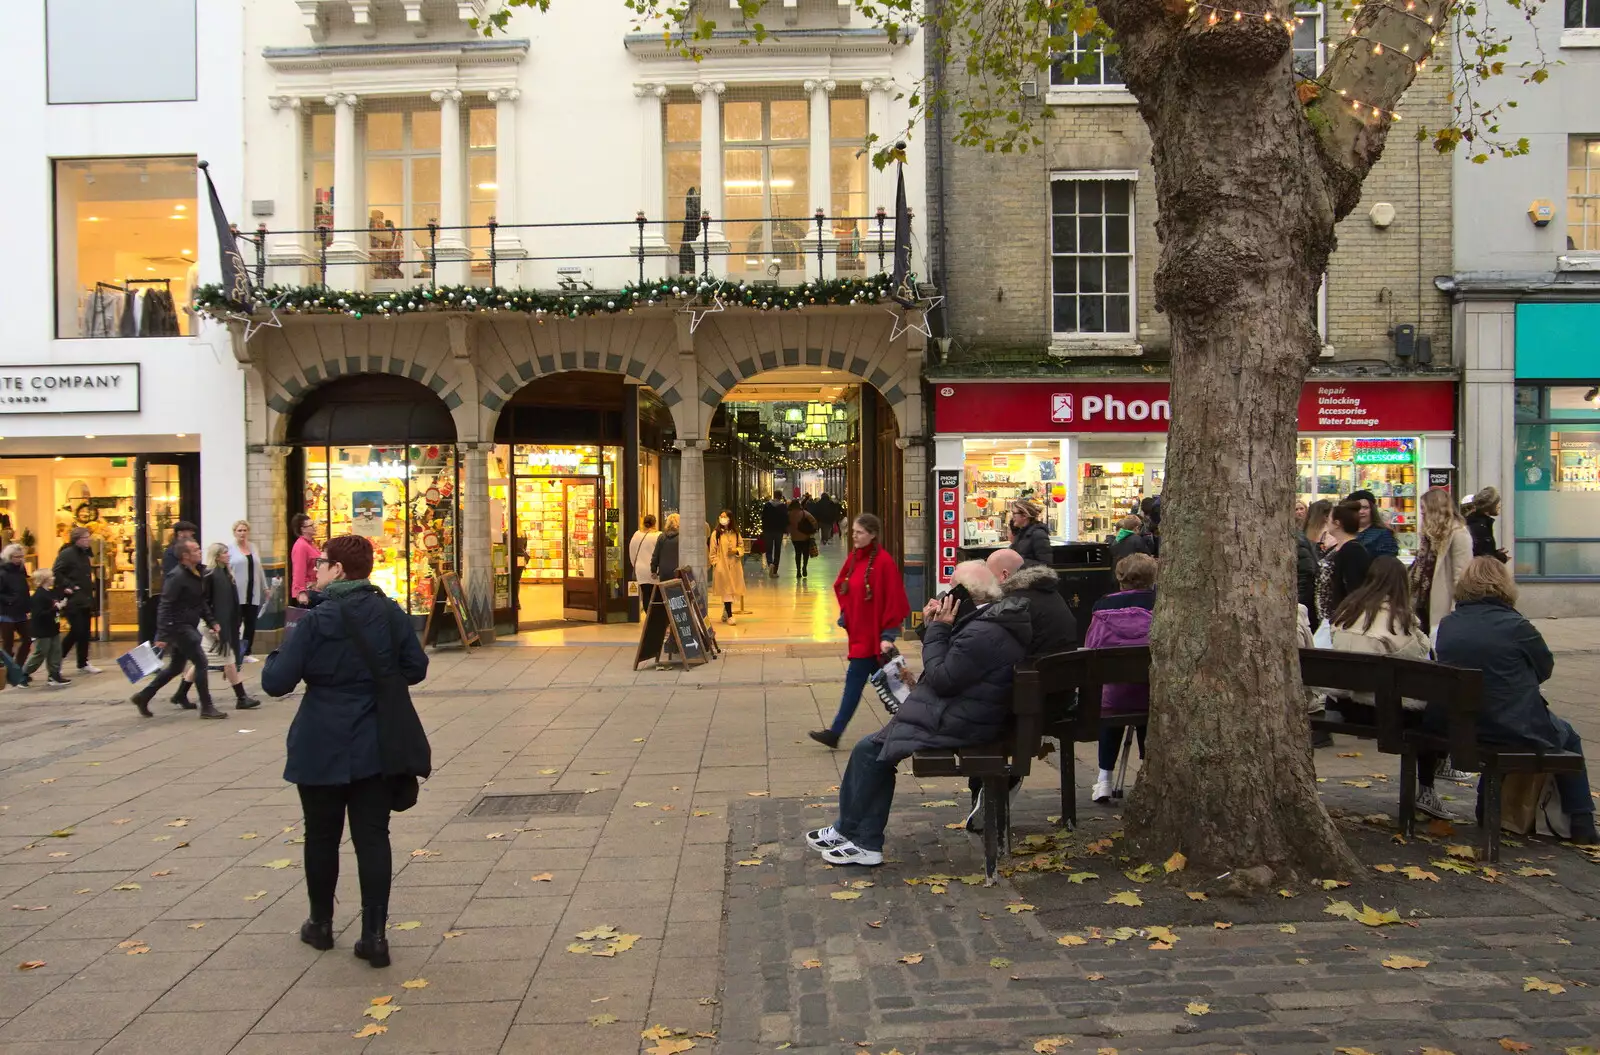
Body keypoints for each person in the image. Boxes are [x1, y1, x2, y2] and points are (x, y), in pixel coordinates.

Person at [263, 535, 431, 967]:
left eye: (321, 563)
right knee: (373, 836)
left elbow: (277, 681)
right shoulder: (390, 612)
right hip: (376, 741)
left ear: (338, 569)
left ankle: (320, 924)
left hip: (321, 741)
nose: (316, 570)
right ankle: (374, 935)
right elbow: (416, 667)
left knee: (321, 835)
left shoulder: (316, 619)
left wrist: (276, 655)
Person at [805, 561, 1032, 865]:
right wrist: (934, 626)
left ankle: (866, 842)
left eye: (951, 588)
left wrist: (938, 629)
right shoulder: (986, 620)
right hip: (967, 713)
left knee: (872, 752)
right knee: (870, 749)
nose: (945, 593)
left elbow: (941, 677)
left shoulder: (983, 632)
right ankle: (849, 830)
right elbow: (952, 663)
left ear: (964, 593)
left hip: (964, 722)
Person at [1433, 557, 1597, 844]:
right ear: (1504, 586)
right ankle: (1582, 821)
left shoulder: (1448, 625)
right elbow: (1544, 668)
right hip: (1512, 727)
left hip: (1459, 728)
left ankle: (1487, 810)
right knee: (1568, 737)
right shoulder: (1517, 626)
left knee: (1487, 719)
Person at [1325, 555, 1453, 819]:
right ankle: (1428, 786)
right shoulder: (1401, 623)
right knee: (1435, 708)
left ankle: (1440, 766)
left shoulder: (1345, 613)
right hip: (1386, 712)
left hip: (1349, 707)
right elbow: (1421, 666)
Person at [810, 514, 911, 748]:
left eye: (859, 532)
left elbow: (894, 600)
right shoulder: (855, 558)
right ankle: (914, 725)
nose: (854, 535)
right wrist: (848, 612)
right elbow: (842, 585)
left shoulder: (884, 562)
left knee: (862, 685)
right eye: (853, 531)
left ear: (873, 534)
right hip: (861, 636)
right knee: (894, 687)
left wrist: (888, 635)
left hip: (873, 640)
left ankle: (835, 732)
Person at [1083, 553, 1158, 804]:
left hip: (1113, 694)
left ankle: (1104, 778)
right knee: (1148, 710)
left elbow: (1091, 646)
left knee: (1111, 703)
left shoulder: (1102, 606)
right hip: (1151, 691)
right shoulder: (1160, 603)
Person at [129, 539, 226, 719]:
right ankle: (207, 706)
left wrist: (212, 621)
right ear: (185, 556)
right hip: (179, 627)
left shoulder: (198, 572)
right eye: (195, 550)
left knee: (175, 667)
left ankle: (144, 696)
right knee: (202, 663)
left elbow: (200, 601)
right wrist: (163, 634)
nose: (199, 552)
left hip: (188, 624)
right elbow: (165, 605)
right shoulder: (177, 576)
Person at [171, 543, 261, 711]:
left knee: (202, 660)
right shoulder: (211, 575)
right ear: (217, 556)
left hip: (220, 624)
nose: (228, 555)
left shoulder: (226, 573)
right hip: (215, 626)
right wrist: (213, 624)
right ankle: (241, 697)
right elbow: (204, 602)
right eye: (225, 553)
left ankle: (181, 693)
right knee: (228, 660)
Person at [987, 548, 1076, 657]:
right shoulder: (1045, 589)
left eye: (991, 577)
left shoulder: (1016, 601)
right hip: (1063, 664)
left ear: (1004, 575)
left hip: (1036, 668)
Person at [1410, 487, 1473, 634]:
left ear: (1434, 508)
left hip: (1441, 603)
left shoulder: (1458, 533)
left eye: (1423, 507)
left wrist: (1456, 608)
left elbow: (1462, 574)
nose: (1422, 512)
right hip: (1422, 601)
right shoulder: (1428, 536)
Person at [53, 527, 102, 676]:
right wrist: (69, 586)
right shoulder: (67, 554)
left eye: (88, 537)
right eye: (85, 538)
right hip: (73, 599)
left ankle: (83, 662)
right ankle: (56, 661)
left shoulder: (85, 554)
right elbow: (56, 572)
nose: (88, 540)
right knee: (76, 631)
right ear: (77, 539)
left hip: (85, 598)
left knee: (84, 632)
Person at [1316, 500, 1373, 628]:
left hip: (1339, 618)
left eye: (1329, 519)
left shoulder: (1353, 550)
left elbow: (1355, 587)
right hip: (1327, 618)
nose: (1326, 522)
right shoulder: (1336, 548)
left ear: (1337, 523)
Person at [21, 569, 69, 688]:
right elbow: (39, 615)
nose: (53, 578)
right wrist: (57, 608)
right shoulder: (38, 596)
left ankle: (54, 675)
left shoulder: (51, 593)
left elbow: (56, 601)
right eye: (51, 577)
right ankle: (23, 674)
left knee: (56, 652)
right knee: (41, 653)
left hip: (53, 627)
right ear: (44, 580)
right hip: (42, 630)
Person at [228, 520, 268, 663]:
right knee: (236, 623)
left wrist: (265, 587)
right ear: (234, 533)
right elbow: (227, 569)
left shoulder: (253, 547)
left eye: (245, 530)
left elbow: (259, 568)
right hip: (238, 592)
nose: (242, 533)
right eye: (239, 530)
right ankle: (233, 652)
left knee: (251, 623)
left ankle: (246, 652)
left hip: (253, 591)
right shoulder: (230, 549)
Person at [707, 510, 745, 624]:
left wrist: (736, 551)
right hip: (722, 567)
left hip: (734, 565)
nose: (722, 518)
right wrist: (716, 563)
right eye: (721, 516)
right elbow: (712, 551)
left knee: (732, 591)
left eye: (725, 516)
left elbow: (741, 547)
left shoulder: (736, 533)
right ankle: (730, 615)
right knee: (727, 590)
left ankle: (726, 611)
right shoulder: (716, 534)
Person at [0, 543, 32, 672]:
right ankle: (9, 670)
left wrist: (28, 605)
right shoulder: (2, 572)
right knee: (8, 644)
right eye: (16, 557)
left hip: (21, 611)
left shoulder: (20, 571)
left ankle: (18, 667)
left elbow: (24, 589)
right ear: (9, 557)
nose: (19, 559)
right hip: (6, 612)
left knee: (28, 639)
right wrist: (10, 601)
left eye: (21, 556)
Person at [1344, 489, 1399, 558]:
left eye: (1365, 508)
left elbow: (1387, 564)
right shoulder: (1344, 531)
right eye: (1357, 508)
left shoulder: (1383, 534)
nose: (1361, 512)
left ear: (1372, 510)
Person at [1465, 486, 1509, 563]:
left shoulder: (1481, 523)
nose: (1499, 505)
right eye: (1497, 503)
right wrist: (1499, 558)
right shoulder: (1480, 526)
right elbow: (1480, 557)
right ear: (1489, 506)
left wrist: (1495, 553)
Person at [628, 514, 663, 612]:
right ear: (654, 523)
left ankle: (648, 616)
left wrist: (636, 565)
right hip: (654, 570)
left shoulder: (636, 535)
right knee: (656, 595)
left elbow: (632, 553)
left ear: (643, 523)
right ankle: (655, 617)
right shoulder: (659, 536)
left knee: (646, 594)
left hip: (641, 570)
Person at [1008, 499, 1053, 565]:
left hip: (1031, 574)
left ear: (1024, 516)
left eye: (1014, 513)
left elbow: (1045, 563)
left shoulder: (1038, 534)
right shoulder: (1021, 532)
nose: (1012, 516)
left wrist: (1019, 561)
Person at [290, 513, 322, 607]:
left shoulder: (311, 544)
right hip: (309, 593)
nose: (314, 527)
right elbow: (298, 571)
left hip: (316, 590)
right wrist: (301, 592)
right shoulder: (301, 546)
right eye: (311, 525)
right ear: (303, 529)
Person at [788, 499, 820, 579]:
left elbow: (786, 525)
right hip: (805, 536)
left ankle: (798, 571)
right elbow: (814, 521)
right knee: (805, 553)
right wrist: (813, 530)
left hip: (794, 537)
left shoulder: (789, 514)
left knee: (797, 553)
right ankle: (804, 567)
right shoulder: (804, 513)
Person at [760, 491, 789, 577]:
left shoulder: (767, 505)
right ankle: (775, 571)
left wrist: (764, 528)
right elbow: (785, 519)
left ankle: (770, 564)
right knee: (777, 550)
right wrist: (785, 530)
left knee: (768, 549)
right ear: (780, 497)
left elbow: (763, 517)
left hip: (768, 530)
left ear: (774, 495)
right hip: (778, 531)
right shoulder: (783, 506)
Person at [651, 512, 682, 582]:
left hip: (664, 572)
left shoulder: (661, 537)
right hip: (677, 572)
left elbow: (655, 555)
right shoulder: (681, 538)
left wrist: (653, 570)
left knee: (665, 592)